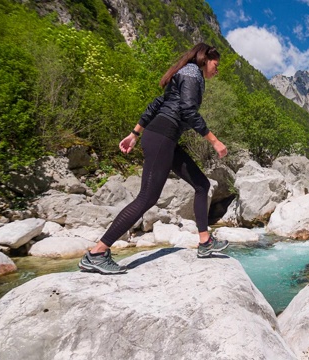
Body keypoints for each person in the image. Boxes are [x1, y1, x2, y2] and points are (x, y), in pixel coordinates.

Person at [78, 43, 229, 274]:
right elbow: (188, 111)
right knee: (147, 197)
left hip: (163, 137)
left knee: (202, 184)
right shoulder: (192, 75)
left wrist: (135, 133)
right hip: (161, 136)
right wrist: (214, 140)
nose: (216, 71)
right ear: (205, 59)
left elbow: (157, 103)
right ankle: (97, 252)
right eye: (216, 65)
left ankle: (205, 242)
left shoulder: (183, 74)